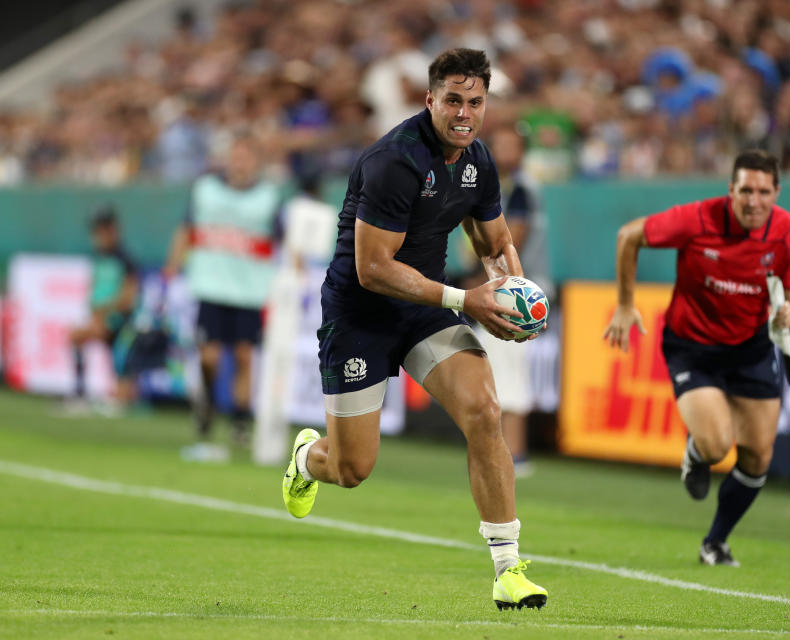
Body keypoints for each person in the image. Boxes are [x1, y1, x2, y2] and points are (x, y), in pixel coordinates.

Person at [281, 48, 548, 610]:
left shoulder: (478, 160)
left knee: (485, 411)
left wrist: (512, 295)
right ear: (430, 100)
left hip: (425, 307)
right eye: (453, 99)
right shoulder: (394, 161)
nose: (464, 112)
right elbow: (373, 268)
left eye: (475, 102)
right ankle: (307, 458)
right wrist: (469, 299)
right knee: (353, 469)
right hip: (360, 313)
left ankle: (508, 569)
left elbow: (494, 241)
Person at [603, 149, 790, 567]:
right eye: (745, 190)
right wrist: (626, 305)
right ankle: (698, 452)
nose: (754, 201)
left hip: (752, 350)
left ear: (776, 192)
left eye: (763, 192)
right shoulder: (698, 218)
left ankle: (715, 542)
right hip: (693, 348)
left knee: (757, 457)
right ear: (731, 189)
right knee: (717, 445)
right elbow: (629, 235)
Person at [164, 135, 283, 453]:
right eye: (236, 155)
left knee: (245, 356)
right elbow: (186, 229)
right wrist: (172, 267)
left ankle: (241, 420)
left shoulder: (269, 198)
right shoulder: (205, 190)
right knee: (209, 357)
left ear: (255, 161)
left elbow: (284, 240)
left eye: (246, 156)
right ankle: (206, 405)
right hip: (211, 286)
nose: (239, 162)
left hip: (249, 291)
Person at [474, 124, 550, 478]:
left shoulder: (520, 189)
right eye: (499, 144)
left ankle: (515, 455)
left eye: (511, 145)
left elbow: (509, 243)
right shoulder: (497, 187)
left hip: (517, 293)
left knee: (509, 372)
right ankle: (503, 452)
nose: (504, 152)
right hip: (498, 289)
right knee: (492, 371)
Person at [66, 206, 139, 413]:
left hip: (119, 321)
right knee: (75, 336)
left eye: (100, 230)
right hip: (100, 319)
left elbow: (129, 297)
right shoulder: (99, 257)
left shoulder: (125, 258)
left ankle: (119, 396)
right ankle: (80, 394)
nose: (97, 236)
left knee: (119, 360)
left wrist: (104, 311)